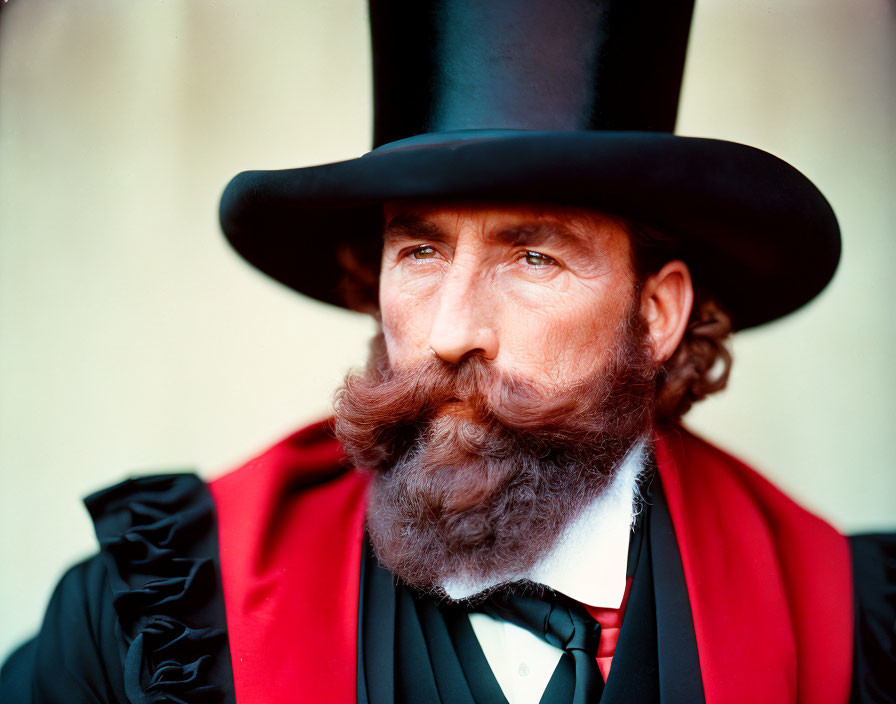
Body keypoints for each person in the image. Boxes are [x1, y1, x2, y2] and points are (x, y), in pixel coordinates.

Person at [1, 1, 892, 703]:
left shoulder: (847, 632)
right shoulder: (154, 625)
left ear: (657, 313)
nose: (447, 329)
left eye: (532, 256)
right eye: (419, 252)